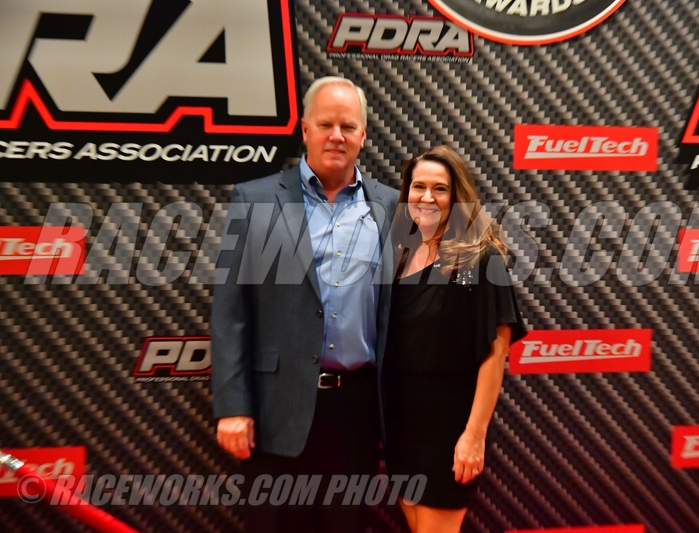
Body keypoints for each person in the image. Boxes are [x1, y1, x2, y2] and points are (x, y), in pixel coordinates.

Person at [210, 76, 399, 533]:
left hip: (357, 412)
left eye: (348, 127)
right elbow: (230, 313)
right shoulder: (255, 199)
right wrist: (232, 406)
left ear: (363, 135)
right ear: (305, 129)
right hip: (276, 407)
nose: (337, 136)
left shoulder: (391, 206)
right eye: (326, 124)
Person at [382, 146, 527, 533]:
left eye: (440, 189)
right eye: (418, 187)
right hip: (401, 427)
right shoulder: (399, 256)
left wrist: (474, 436)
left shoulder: (481, 259)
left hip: (448, 430)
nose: (427, 197)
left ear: (457, 196)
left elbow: (495, 354)